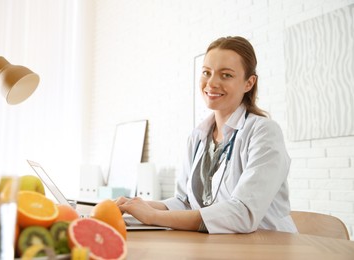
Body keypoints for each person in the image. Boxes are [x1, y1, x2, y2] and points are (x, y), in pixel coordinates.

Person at [117, 36, 298, 234]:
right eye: (206, 72)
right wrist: (135, 207)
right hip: (218, 248)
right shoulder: (197, 137)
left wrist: (154, 216)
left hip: (267, 249)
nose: (211, 83)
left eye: (226, 75)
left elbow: (243, 214)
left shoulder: (263, 132)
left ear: (249, 83)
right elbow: (184, 202)